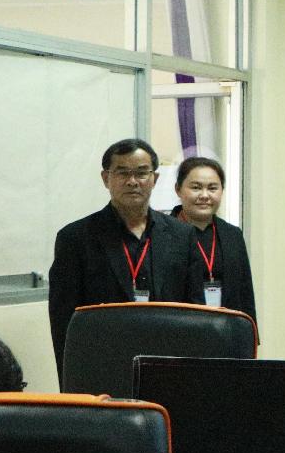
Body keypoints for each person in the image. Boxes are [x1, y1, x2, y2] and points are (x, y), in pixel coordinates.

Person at [48, 137, 199, 381]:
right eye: (122, 172)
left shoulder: (183, 236)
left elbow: (196, 313)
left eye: (141, 173)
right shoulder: (75, 238)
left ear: (154, 178)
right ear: (105, 178)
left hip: (167, 366)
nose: (132, 181)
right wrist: (71, 381)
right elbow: (64, 322)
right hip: (103, 367)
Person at [171, 156, 257, 327]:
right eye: (196, 187)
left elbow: (245, 295)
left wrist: (251, 336)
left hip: (226, 330)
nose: (204, 195)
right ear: (178, 189)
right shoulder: (162, 234)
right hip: (179, 330)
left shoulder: (232, 235)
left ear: (222, 191)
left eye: (212, 188)